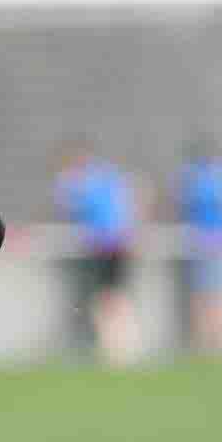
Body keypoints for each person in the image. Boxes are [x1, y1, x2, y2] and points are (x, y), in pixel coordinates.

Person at [53, 146, 140, 364]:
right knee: (114, 297)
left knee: (106, 300)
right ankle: (121, 346)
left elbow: (70, 206)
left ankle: (116, 349)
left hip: (106, 247)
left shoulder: (85, 183)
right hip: (119, 244)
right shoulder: (109, 177)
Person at [171, 140, 222, 358]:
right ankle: (217, 343)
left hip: (207, 242)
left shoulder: (196, 179)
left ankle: (214, 343)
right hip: (216, 242)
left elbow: (183, 204)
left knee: (208, 297)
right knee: (216, 295)